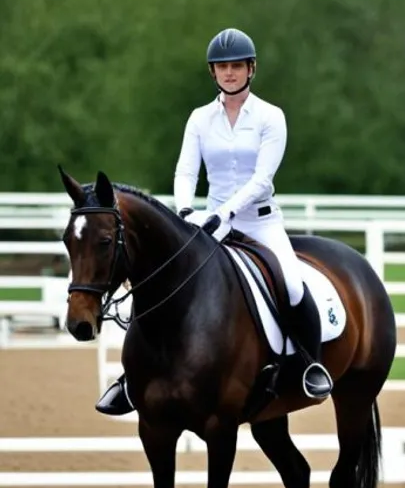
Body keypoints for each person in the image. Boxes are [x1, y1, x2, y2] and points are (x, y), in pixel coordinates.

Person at [94, 28, 334, 416]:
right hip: (207, 221)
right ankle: (132, 375)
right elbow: (186, 171)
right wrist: (186, 210)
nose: (229, 73)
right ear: (213, 72)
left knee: (291, 283)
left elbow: (262, 180)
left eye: (236, 66)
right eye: (222, 67)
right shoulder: (200, 119)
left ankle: (310, 363)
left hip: (259, 222)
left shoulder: (271, 117)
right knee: (163, 280)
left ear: (250, 69)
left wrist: (223, 212)